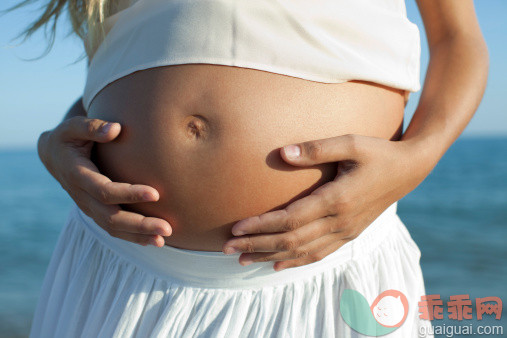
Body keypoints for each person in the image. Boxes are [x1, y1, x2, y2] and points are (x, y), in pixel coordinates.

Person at [5, 0, 488, 336]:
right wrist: (60, 139)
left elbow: (456, 37)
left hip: (323, 274)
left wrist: (418, 157)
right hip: (118, 271)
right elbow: (127, 54)